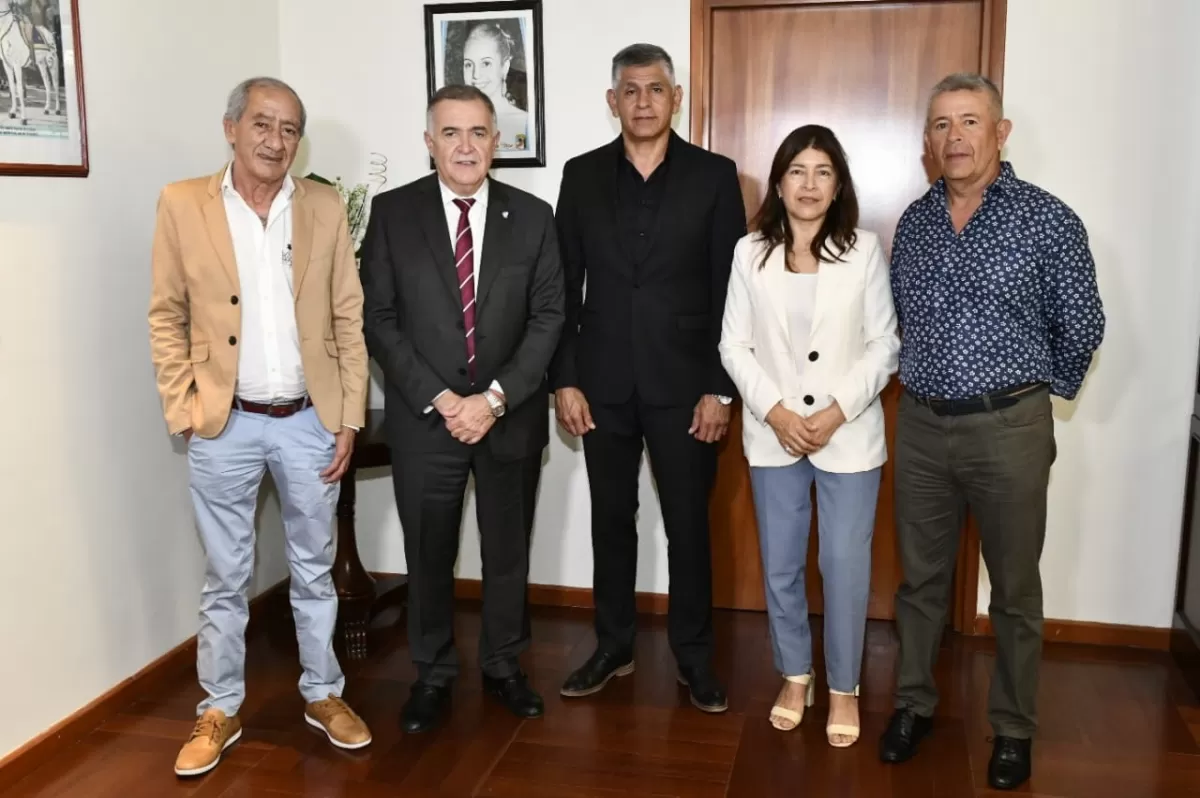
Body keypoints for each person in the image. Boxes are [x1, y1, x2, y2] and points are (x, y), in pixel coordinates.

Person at [880, 72, 1104, 790]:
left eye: (970, 122)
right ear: (928, 140)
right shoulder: (914, 222)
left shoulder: (1047, 219)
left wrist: (1036, 401)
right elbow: (897, 319)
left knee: (1012, 589)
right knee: (920, 584)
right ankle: (913, 705)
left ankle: (1012, 728)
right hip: (919, 427)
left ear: (1000, 133)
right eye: (941, 125)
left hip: (1008, 428)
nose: (955, 138)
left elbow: (1083, 323)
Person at [147, 76, 373, 778]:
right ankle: (218, 708)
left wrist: (349, 418)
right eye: (264, 125)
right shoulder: (184, 204)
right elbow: (166, 313)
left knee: (313, 569)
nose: (277, 141)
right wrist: (184, 406)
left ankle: (324, 693)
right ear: (232, 128)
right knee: (226, 574)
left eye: (290, 130)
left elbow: (347, 317)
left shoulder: (325, 207)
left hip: (309, 420)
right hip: (224, 426)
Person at [359, 84, 565, 734]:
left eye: (478, 132)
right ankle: (434, 674)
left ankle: (503, 666)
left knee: (506, 553)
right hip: (428, 423)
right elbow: (380, 320)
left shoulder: (533, 217)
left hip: (510, 419)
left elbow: (549, 318)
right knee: (429, 552)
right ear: (429, 143)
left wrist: (494, 400)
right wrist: (446, 399)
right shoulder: (393, 214)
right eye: (451, 133)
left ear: (497, 142)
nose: (466, 146)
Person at [550, 43, 746, 713]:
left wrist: (721, 388)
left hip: (689, 387)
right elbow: (561, 288)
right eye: (630, 90)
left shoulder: (716, 177)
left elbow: (733, 290)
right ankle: (614, 646)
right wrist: (564, 380)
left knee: (689, 525)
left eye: (656, 89)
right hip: (600, 384)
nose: (642, 101)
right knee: (612, 520)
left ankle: (695, 657)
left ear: (676, 98)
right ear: (613, 101)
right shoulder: (578, 177)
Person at [719, 125, 899, 746]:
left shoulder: (866, 250)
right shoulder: (749, 253)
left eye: (823, 172)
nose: (809, 184)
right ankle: (796, 674)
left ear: (839, 184)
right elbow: (733, 345)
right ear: (778, 180)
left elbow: (885, 345)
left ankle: (843, 685)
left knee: (845, 566)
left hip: (846, 435)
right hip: (775, 436)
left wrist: (834, 411)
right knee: (780, 566)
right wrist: (776, 413)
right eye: (798, 170)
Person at [461, 22, 529, 151]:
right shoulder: (454, 125)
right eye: (469, 65)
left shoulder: (524, 122)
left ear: (505, 66)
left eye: (486, 63)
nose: (476, 75)